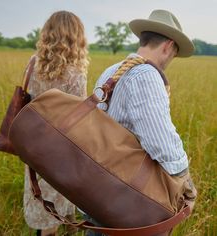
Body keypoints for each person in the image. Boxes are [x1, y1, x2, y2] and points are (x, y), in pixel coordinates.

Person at [84, 9, 197, 236]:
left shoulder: (111, 71)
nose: (171, 61)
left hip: (97, 191)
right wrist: (187, 185)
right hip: (127, 201)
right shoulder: (146, 75)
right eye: (174, 54)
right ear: (168, 46)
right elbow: (161, 142)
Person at [23, 11, 89, 236]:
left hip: (32, 144)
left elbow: (28, 101)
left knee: (40, 197)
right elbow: (80, 119)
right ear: (75, 37)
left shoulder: (33, 64)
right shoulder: (76, 74)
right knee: (55, 208)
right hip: (60, 150)